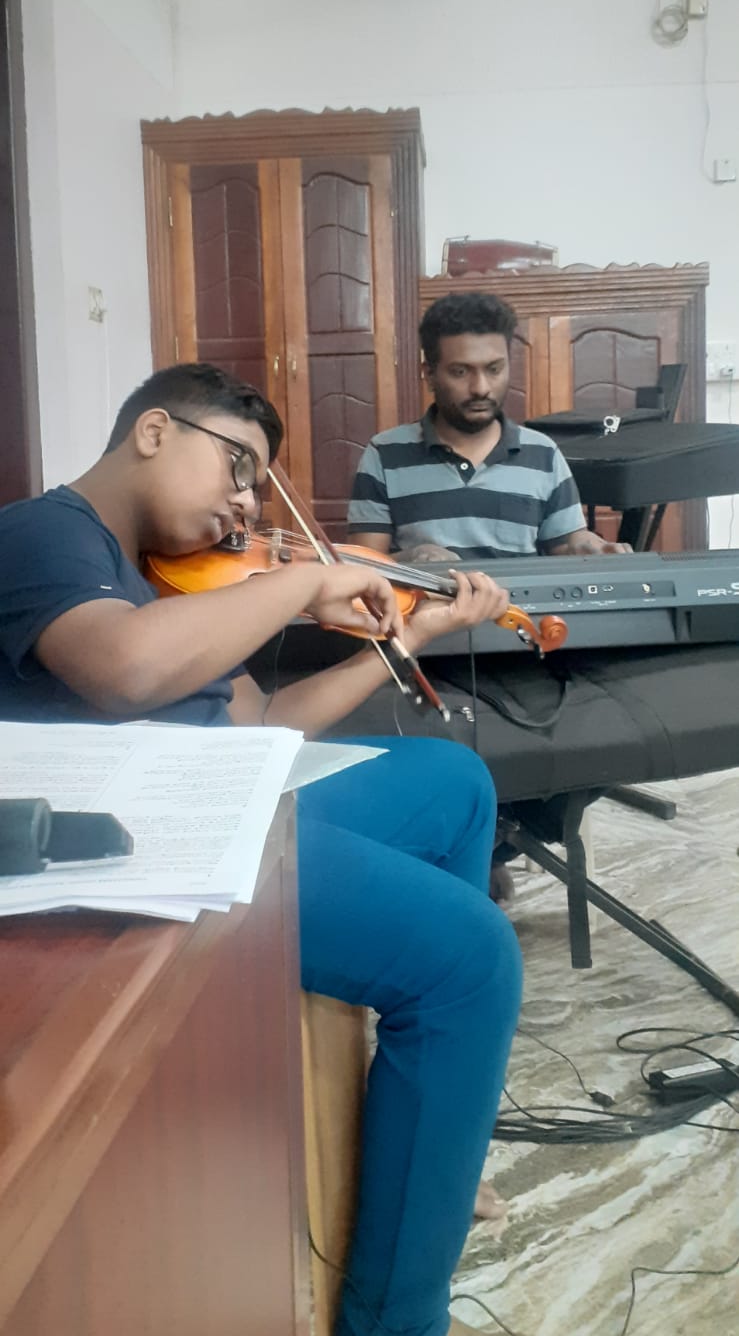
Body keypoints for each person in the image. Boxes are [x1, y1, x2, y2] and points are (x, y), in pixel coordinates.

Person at [0, 362, 522, 1336]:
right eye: (237, 466)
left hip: (225, 794)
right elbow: (123, 670)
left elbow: (262, 721)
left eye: (255, 483)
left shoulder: (160, 572)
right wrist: (304, 582)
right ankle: (397, 1319)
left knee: (453, 783)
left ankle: (432, 1143)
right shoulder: (43, 532)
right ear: (153, 431)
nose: (246, 505)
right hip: (149, 839)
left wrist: (415, 632)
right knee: (471, 958)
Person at [348, 290, 630, 562]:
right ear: (430, 374)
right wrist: (411, 558)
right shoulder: (384, 454)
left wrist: (586, 547)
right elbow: (363, 567)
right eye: (460, 372)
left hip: (518, 599)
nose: (481, 388)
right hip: (425, 597)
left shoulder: (543, 454)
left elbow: (567, 547)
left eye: (494, 369)